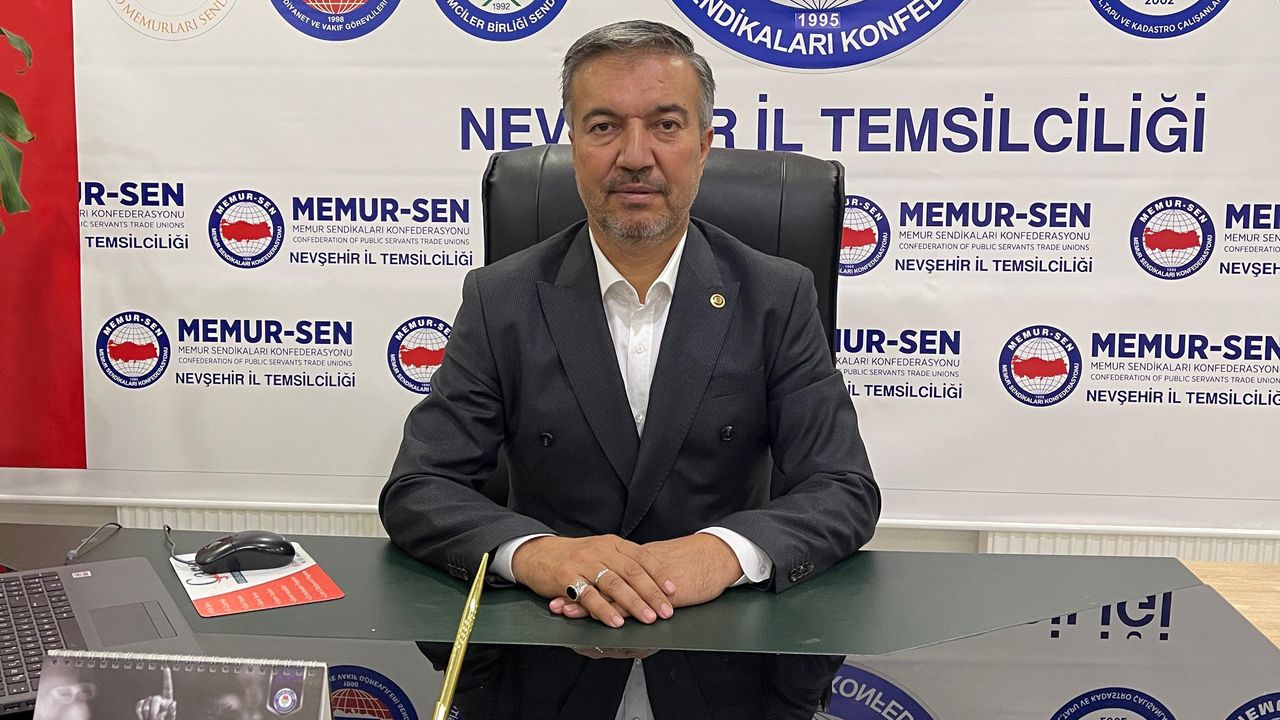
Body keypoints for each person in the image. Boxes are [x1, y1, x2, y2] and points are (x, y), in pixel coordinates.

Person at [381, 19, 879, 719]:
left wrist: (719, 553)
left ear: (703, 146)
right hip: (549, 661)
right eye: (604, 126)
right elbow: (419, 488)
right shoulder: (502, 298)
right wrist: (539, 554)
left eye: (666, 125)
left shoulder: (776, 295)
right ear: (574, 145)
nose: (635, 156)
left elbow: (843, 489)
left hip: (726, 668)